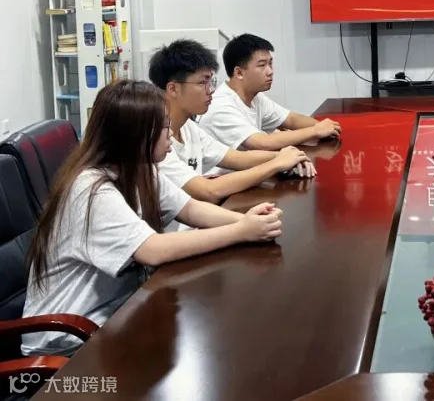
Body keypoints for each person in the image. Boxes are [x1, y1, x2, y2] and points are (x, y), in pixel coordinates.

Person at [22, 80, 284, 356]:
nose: (170, 133)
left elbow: (190, 209)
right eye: (163, 127)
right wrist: (241, 231)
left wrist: (247, 221)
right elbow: (152, 250)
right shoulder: (91, 189)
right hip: (65, 343)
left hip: (114, 315)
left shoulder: (140, 169)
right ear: (136, 134)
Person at [148, 39, 315, 205]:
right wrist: (276, 164)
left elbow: (238, 158)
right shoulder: (154, 140)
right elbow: (209, 191)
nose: (211, 90)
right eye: (202, 82)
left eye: (211, 81)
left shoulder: (188, 127)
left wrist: (287, 156)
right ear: (173, 89)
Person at [200, 34, 341, 150]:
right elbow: (262, 142)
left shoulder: (255, 97)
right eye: (262, 65)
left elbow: (290, 119)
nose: (270, 71)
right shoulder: (221, 106)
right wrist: (315, 131)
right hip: (224, 175)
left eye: (270, 63)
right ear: (239, 73)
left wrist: (327, 129)